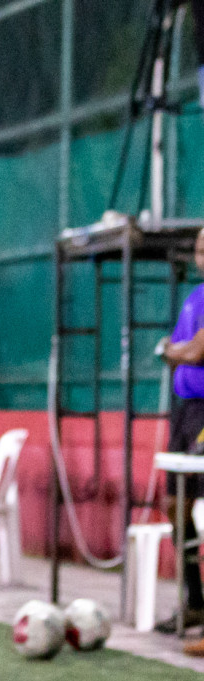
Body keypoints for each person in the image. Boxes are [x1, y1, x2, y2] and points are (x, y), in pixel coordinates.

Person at [158, 226, 204, 650]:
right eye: (199, 247)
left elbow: (193, 351)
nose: (202, 253)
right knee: (176, 504)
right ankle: (194, 600)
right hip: (186, 412)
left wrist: (169, 349)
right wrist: (177, 348)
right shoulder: (195, 296)